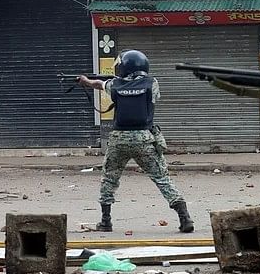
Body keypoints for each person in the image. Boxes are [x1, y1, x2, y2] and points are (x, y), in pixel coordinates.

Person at [77, 50, 194, 233]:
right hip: (144, 139)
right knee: (162, 178)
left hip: (119, 139)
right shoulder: (152, 83)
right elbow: (152, 99)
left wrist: (85, 81)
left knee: (109, 178)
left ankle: (106, 221)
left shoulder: (114, 84)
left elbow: (99, 84)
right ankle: (185, 218)